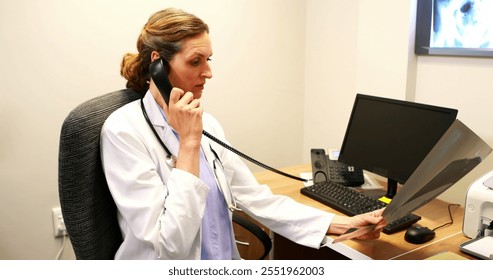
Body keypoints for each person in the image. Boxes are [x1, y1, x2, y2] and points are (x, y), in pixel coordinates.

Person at [100, 7, 386, 260]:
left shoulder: (207, 125)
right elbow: (170, 245)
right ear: (158, 64)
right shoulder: (124, 132)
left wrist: (339, 224)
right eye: (196, 61)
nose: (209, 72)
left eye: (209, 59)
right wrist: (188, 143)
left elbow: (256, 198)